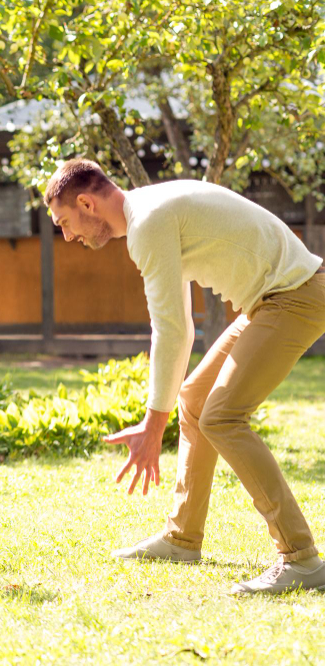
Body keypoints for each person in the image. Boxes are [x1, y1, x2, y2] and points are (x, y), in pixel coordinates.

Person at [44, 158, 325, 594]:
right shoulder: (149, 209)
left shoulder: (148, 223)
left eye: (65, 222)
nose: (68, 236)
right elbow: (180, 325)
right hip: (274, 297)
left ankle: (301, 559)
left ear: (86, 203)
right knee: (194, 401)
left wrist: (152, 425)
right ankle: (182, 538)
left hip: (294, 295)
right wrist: (161, 414)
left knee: (222, 417)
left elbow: (173, 329)